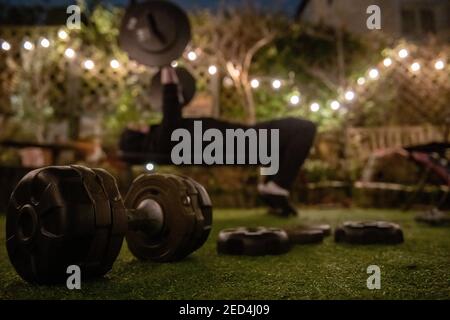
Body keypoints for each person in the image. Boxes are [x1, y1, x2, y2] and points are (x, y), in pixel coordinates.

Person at [120, 67, 316, 217]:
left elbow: (173, 107)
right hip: (240, 143)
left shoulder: (164, 140)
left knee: (281, 143)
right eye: (137, 128)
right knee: (305, 128)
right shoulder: (162, 140)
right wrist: (167, 69)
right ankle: (277, 186)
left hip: (240, 140)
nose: (142, 124)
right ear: (138, 137)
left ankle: (274, 190)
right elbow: (171, 104)